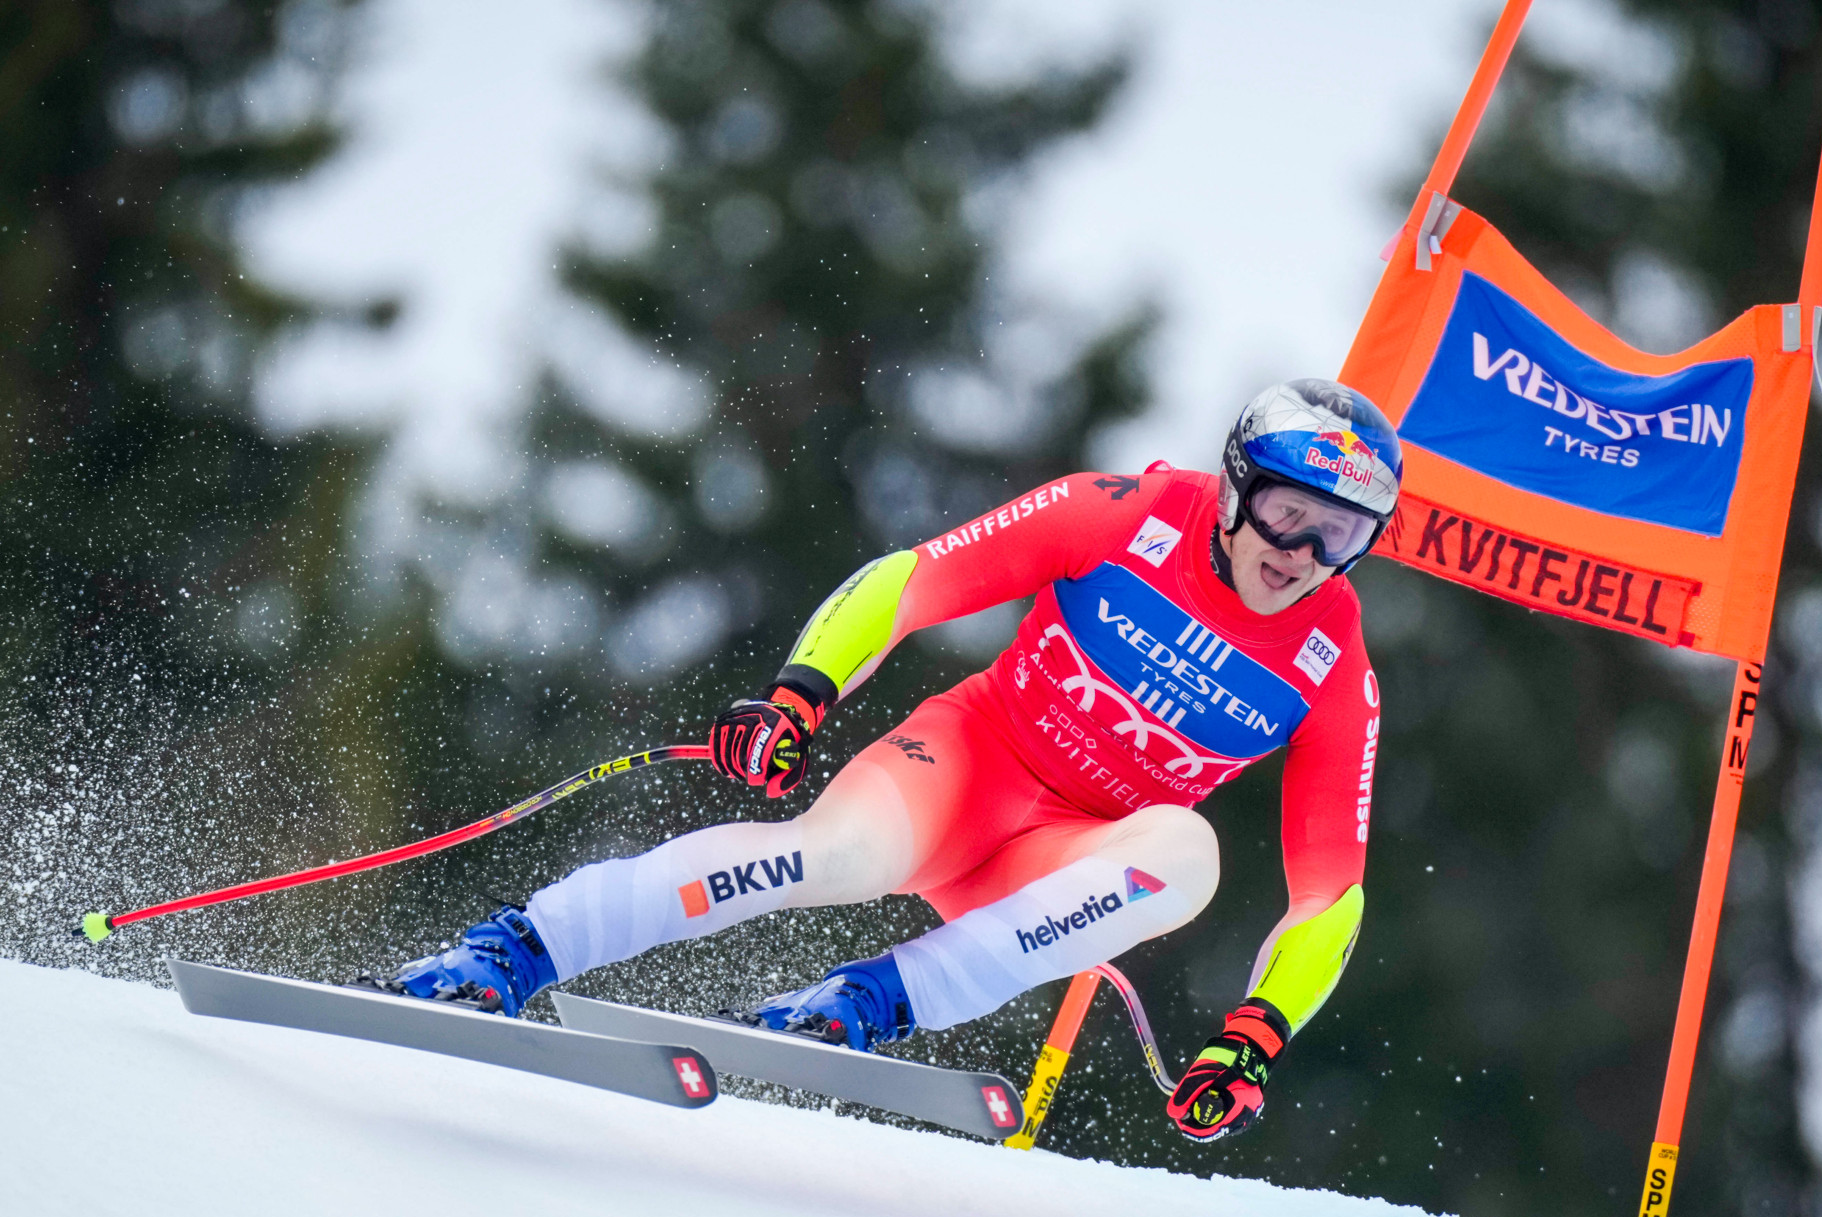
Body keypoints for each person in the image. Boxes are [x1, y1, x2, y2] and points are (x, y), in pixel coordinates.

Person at [374, 378, 1399, 1142]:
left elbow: (1329, 896)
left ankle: (858, 1004)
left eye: (1339, 534)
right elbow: (913, 582)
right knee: (832, 858)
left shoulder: (1332, 665)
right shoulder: (1127, 512)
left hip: (1055, 863)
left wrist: (1255, 1033)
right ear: (1233, 487)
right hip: (965, 769)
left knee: (1186, 852)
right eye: (1285, 512)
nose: (1300, 554)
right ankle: (510, 955)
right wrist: (798, 693)